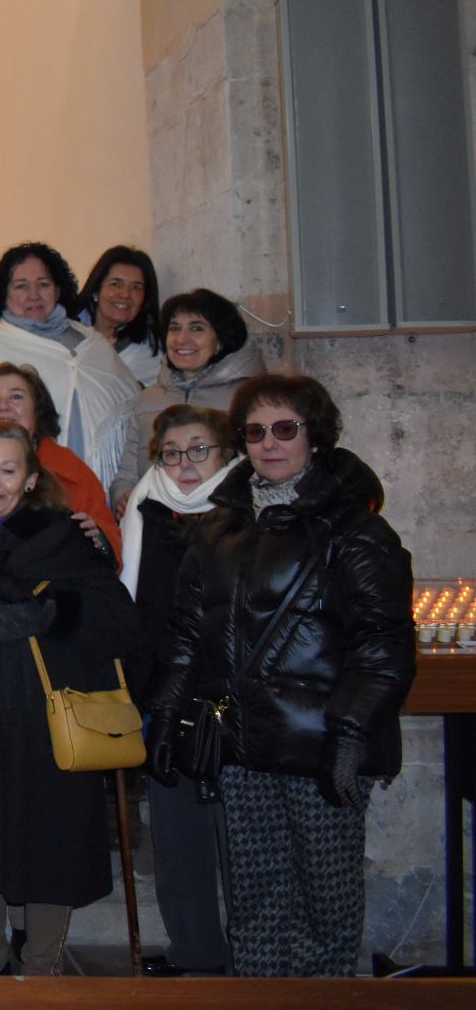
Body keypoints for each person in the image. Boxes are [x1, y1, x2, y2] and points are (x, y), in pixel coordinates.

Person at [145, 375, 415, 978]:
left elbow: (384, 643)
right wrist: (166, 718)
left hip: (321, 745)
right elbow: (188, 635)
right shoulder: (219, 529)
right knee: (257, 901)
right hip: (243, 743)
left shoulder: (355, 529)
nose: (270, 443)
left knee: (326, 902)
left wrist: (350, 735)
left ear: (315, 435)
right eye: (256, 431)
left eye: (285, 428)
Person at [0, 423, 144, 976]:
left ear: (32, 478)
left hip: (47, 709)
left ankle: (41, 963)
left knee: (51, 833)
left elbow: (115, 619)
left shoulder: (67, 536)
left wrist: (49, 617)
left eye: (8, 469)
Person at [116, 405, 241, 978]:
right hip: (164, 691)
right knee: (177, 836)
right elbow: (134, 602)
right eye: (171, 452)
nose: (185, 465)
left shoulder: (249, 511)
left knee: (239, 839)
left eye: (199, 450)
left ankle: (253, 951)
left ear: (226, 454)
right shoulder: (144, 507)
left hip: (232, 693)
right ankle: (196, 951)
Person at [0, 243, 141, 492]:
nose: (34, 295)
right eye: (21, 286)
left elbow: (131, 406)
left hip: (99, 486)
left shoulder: (91, 342)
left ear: (58, 289)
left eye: (43, 284)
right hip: (25, 487)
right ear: (4, 293)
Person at [0, 362, 123, 561]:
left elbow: (109, 537)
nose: (3, 406)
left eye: (16, 397)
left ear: (37, 411)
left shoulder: (72, 471)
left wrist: (98, 539)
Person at [113, 288, 265, 507]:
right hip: (155, 523)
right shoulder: (146, 399)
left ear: (221, 340)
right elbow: (127, 474)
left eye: (196, 328)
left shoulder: (249, 399)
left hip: (226, 524)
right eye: (174, 328)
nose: (181, 339)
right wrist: (123, 495)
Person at [77, 246, 163, 388]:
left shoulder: (151, 351)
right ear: (96, 290)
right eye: (116, 284)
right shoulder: (64, 330)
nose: (125, 294)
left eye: (136, 287)